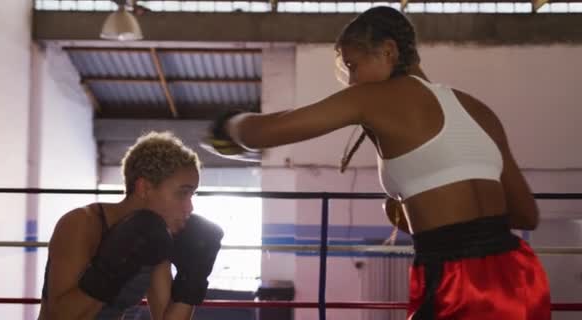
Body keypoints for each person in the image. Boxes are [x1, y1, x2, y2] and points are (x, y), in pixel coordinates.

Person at [203, 6, 550, 320]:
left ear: (388, 51)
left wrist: (229, 123)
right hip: (520, 275)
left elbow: (266, 132)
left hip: (457, 280)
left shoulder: (373, 98)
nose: (352, 80)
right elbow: (526, 215)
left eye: (353, 65)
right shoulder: (478, 109)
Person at [38, 131, 223, 320]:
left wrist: (191, 281)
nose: (189, 208)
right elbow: (59, 316)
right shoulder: (82, 223)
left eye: (192, 195)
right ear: (144, 188)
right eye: (182, 194)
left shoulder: (155, 238)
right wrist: (109, 269)